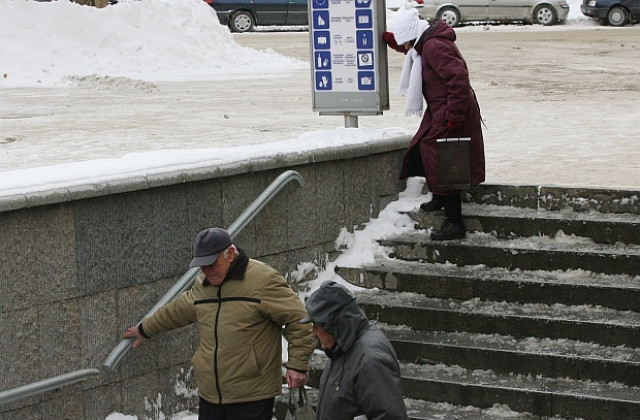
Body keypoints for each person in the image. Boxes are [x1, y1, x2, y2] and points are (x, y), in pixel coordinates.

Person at [123, 227, 315, 420]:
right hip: (211, 395)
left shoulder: (263, 280)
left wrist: (297, 364)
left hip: (251, 394)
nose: (206, 270)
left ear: (230, 253)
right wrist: (145, 329)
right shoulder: (203, 285)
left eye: (211, 263)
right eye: (202, 266)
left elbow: (298, 318)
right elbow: (177, 311)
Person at [383, 9, 486, 240]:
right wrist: (389, 39)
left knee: (446, 161)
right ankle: (439, 196)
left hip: (452, 109)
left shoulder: (434, 46)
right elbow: (409, 48)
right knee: (424, 147)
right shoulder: (423, 43)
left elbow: (458, 80)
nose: (405, 47)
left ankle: (455, 223)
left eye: (404, 42)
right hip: (441, 109)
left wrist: (455, 117)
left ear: (412, 36)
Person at [300, 280, 408, 420]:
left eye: (316, 325)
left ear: (333, 324)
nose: (313, 332)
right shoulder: (342, 347)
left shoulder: (370, 359)